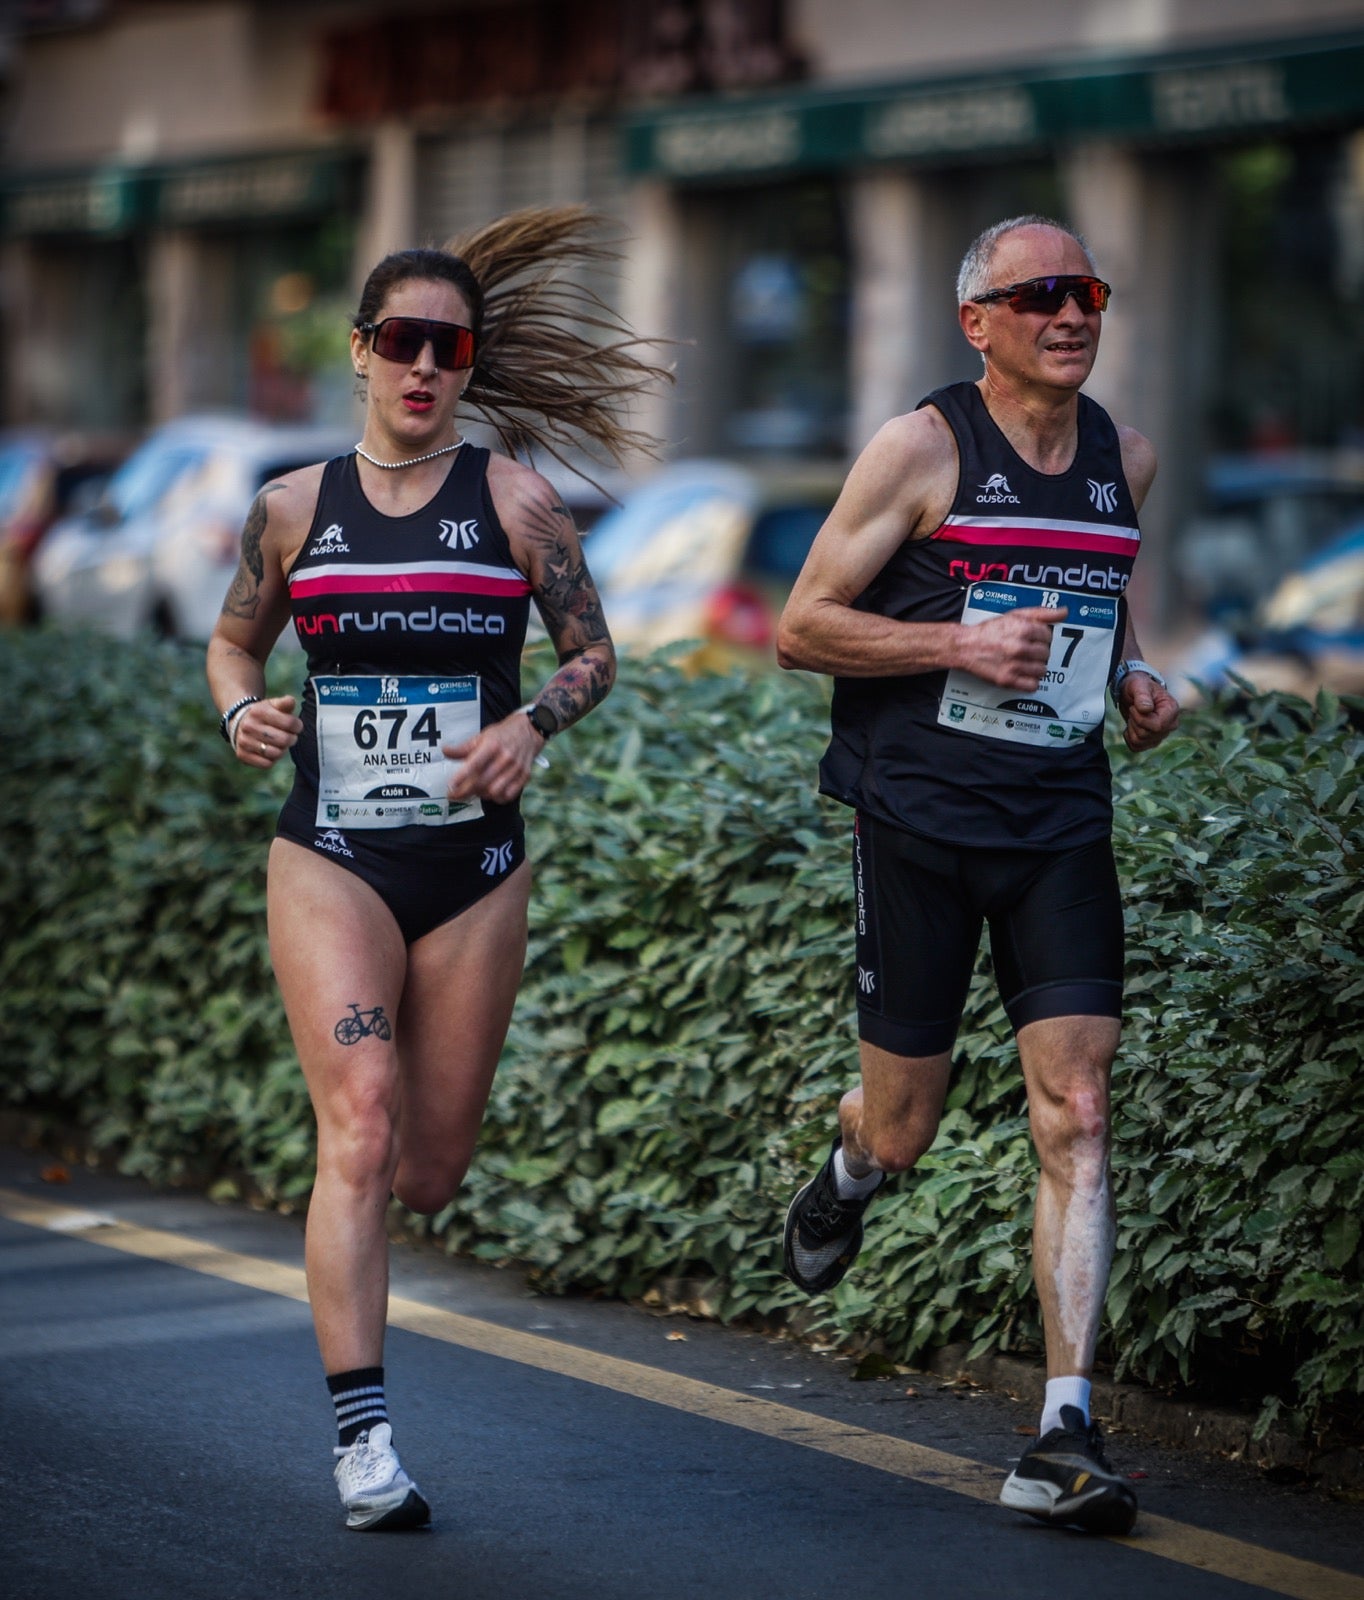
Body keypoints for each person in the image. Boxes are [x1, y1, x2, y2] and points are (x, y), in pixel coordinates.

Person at [206, 207, 668, 1532]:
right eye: (401, 340)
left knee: (429, 1168)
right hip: (333, 856)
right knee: (358, 1121)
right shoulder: (292, 508)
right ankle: (363, 1441)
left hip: (473, 871)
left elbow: (593, 655)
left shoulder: (517, 500)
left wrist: (531, 722)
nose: (424, 365)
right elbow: (235, 648)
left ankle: (400, 1202)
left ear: (469, 366)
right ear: (359, 351)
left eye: (448, 346)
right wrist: (242, 711)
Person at [776, 215, 1179, 1535]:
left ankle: (1063, 1429)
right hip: (921, 822)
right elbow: (801, 627)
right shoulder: (923, 448)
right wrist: (959, 644)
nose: (1073, 314)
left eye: (1089, 292)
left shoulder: (1127, 456)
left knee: (1078, 1106)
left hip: (1060, 819)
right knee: (906, 1127)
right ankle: (850, 1167)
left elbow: (1099, 592)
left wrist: (1128, 675)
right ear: (981, 322)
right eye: (1043, 295)